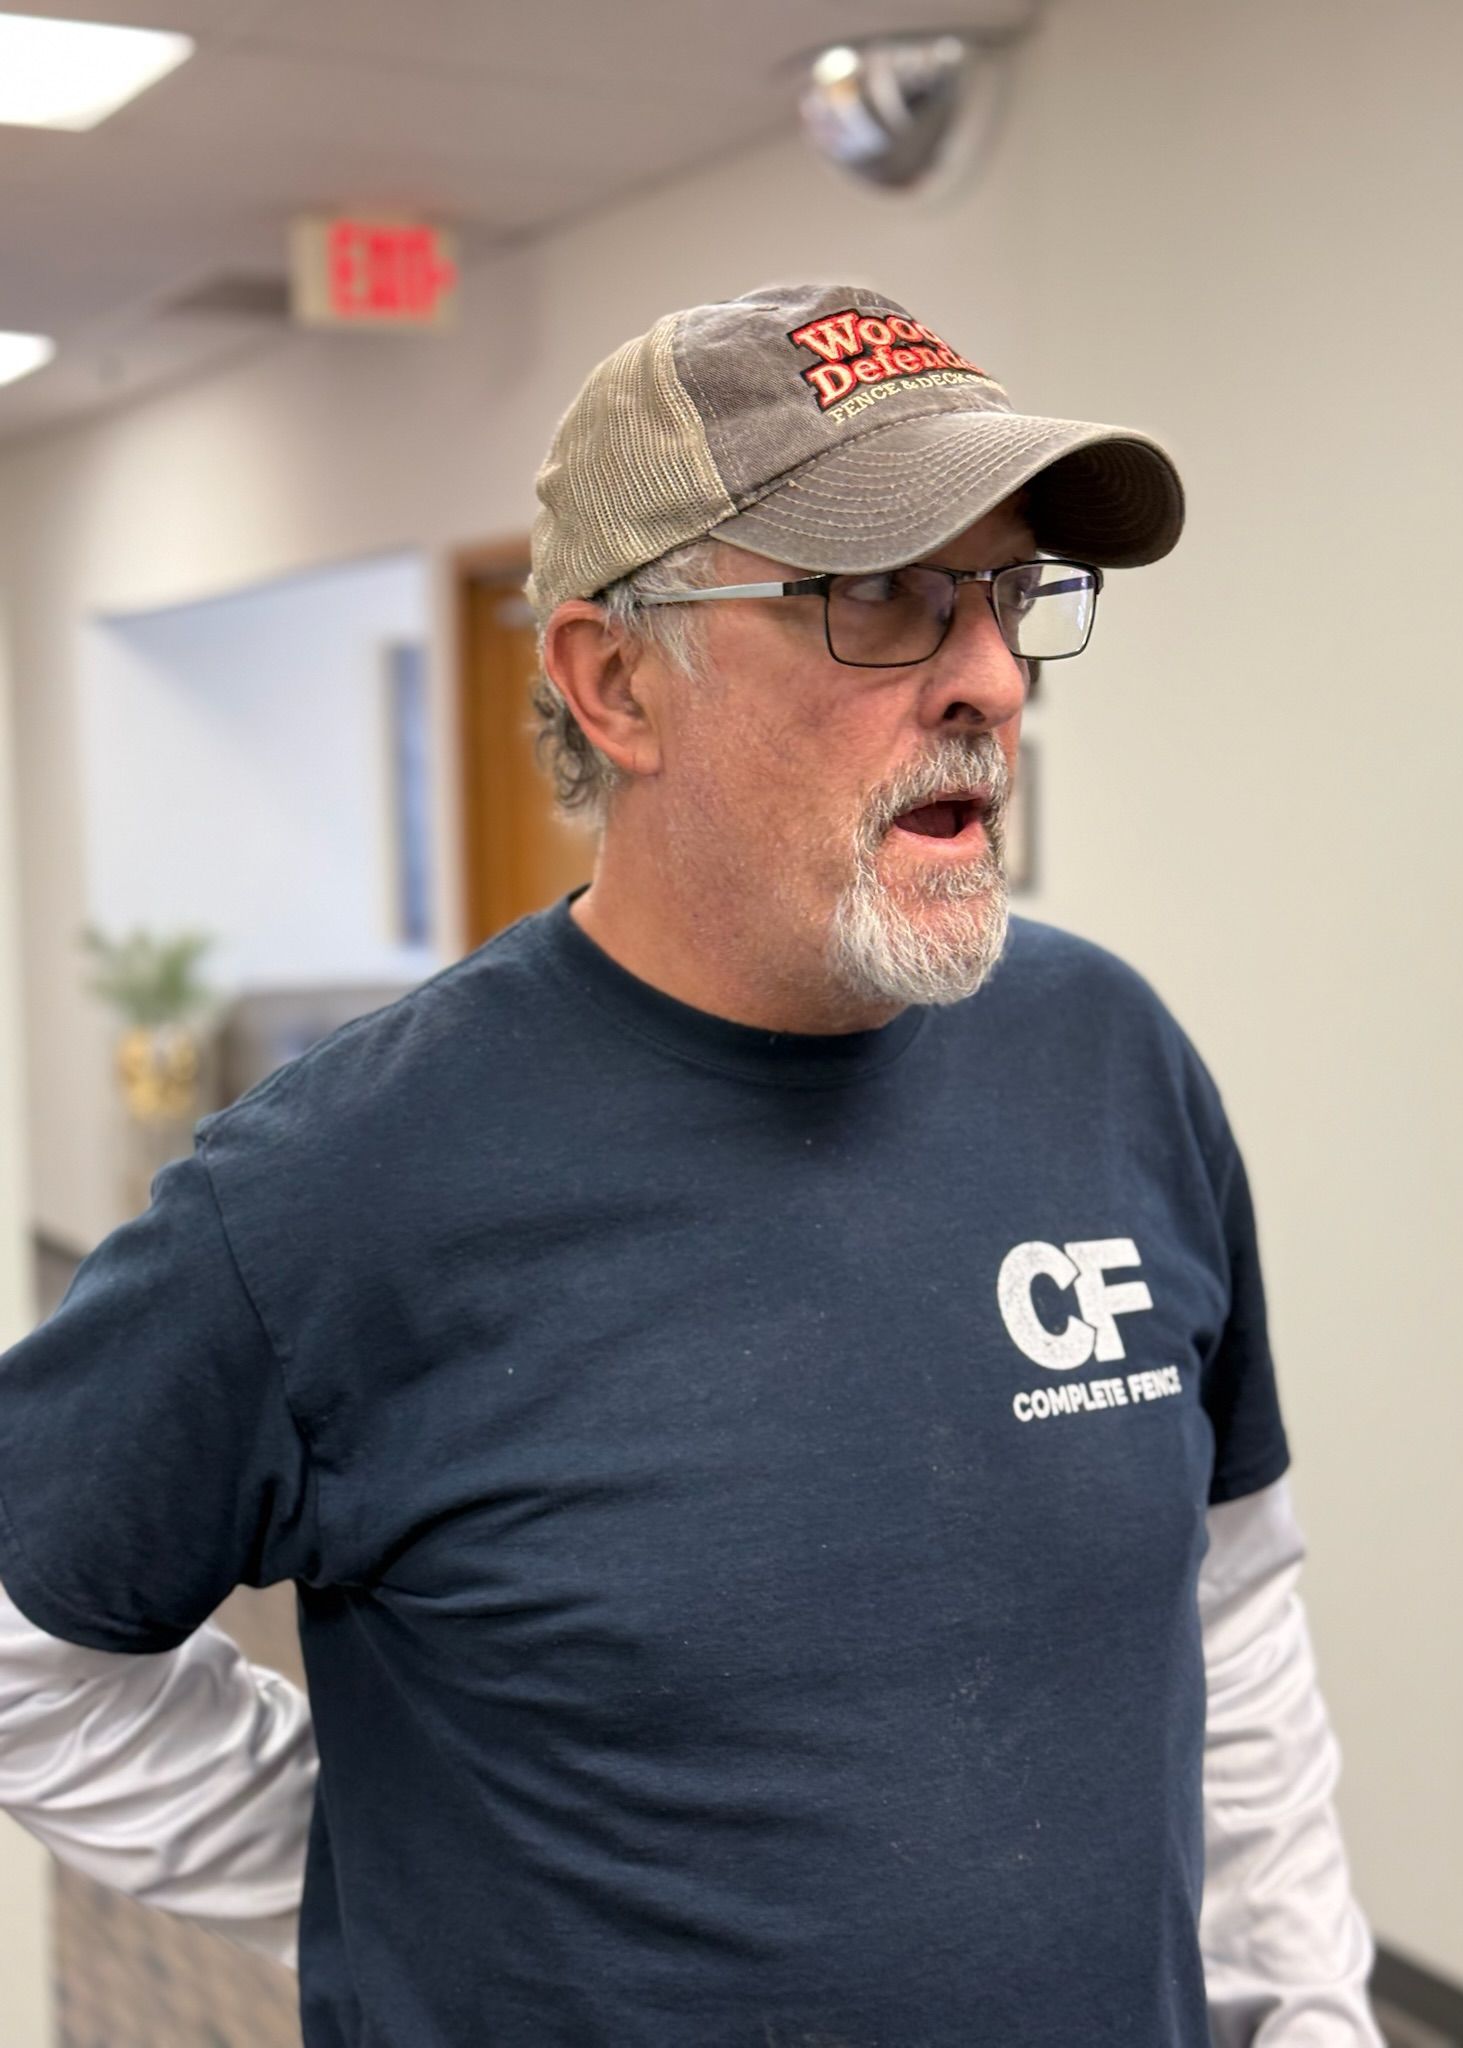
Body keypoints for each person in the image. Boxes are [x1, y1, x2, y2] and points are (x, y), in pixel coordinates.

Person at [0, 282, 1383, 2046]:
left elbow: (1230, 1589)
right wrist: (401, 1868)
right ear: (614, 680)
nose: (988, 677)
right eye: (882, 596)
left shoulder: (1108, 1056)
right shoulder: (338, 1191)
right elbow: (25, 1659)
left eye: (1013, 593)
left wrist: (1306, 2010)